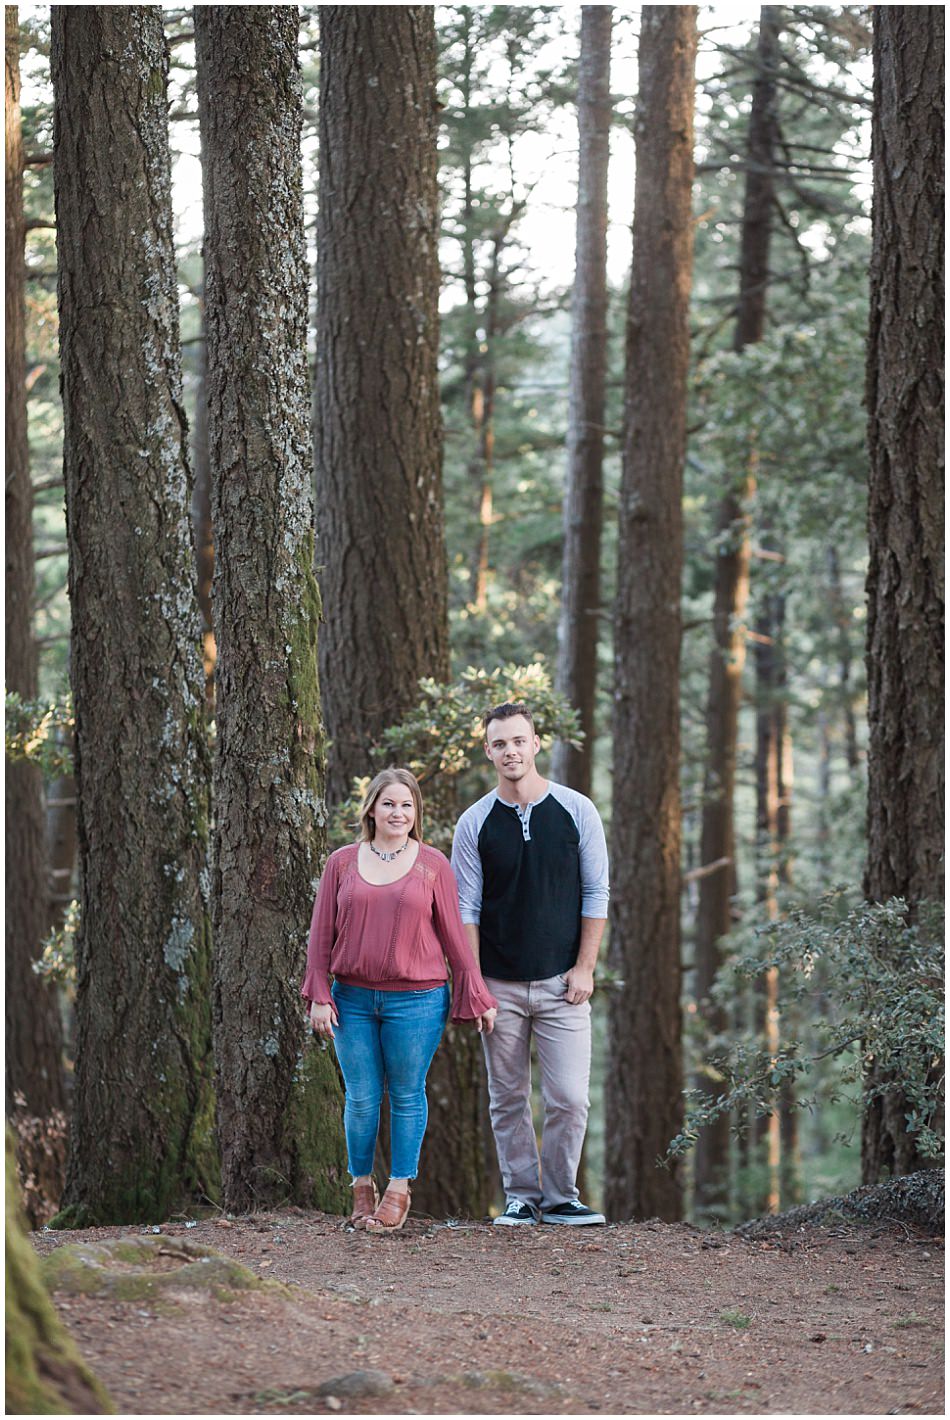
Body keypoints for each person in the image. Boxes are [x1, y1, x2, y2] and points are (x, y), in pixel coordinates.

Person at [302, 767, 497, 1232]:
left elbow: (454, 936)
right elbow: (321, 933)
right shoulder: (342, 863)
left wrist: (478, 993)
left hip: (418, 1000)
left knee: (407, 1095)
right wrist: (319, 994)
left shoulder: (433, 865)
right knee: (363, 1098)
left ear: (417, 813)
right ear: (371, 808)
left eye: (407, 805)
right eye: (389, 803)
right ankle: (361, 1187)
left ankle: (399, 1188)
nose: (398, 812)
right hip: (350, 1000)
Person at [451, 702, 609, 1226]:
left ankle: (562, 1197)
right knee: (508, 1098)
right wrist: (474, 986)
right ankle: (521, 1196)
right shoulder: (474, 822)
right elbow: (465, 909)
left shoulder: (576, 810)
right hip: (498, 985)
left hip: (564, 985)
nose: (510, 751)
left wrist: (585, 967)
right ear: (488, 751)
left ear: (536, 743)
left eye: (519, 740)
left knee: (569, 1098)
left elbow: (596, 893)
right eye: (500, 744)